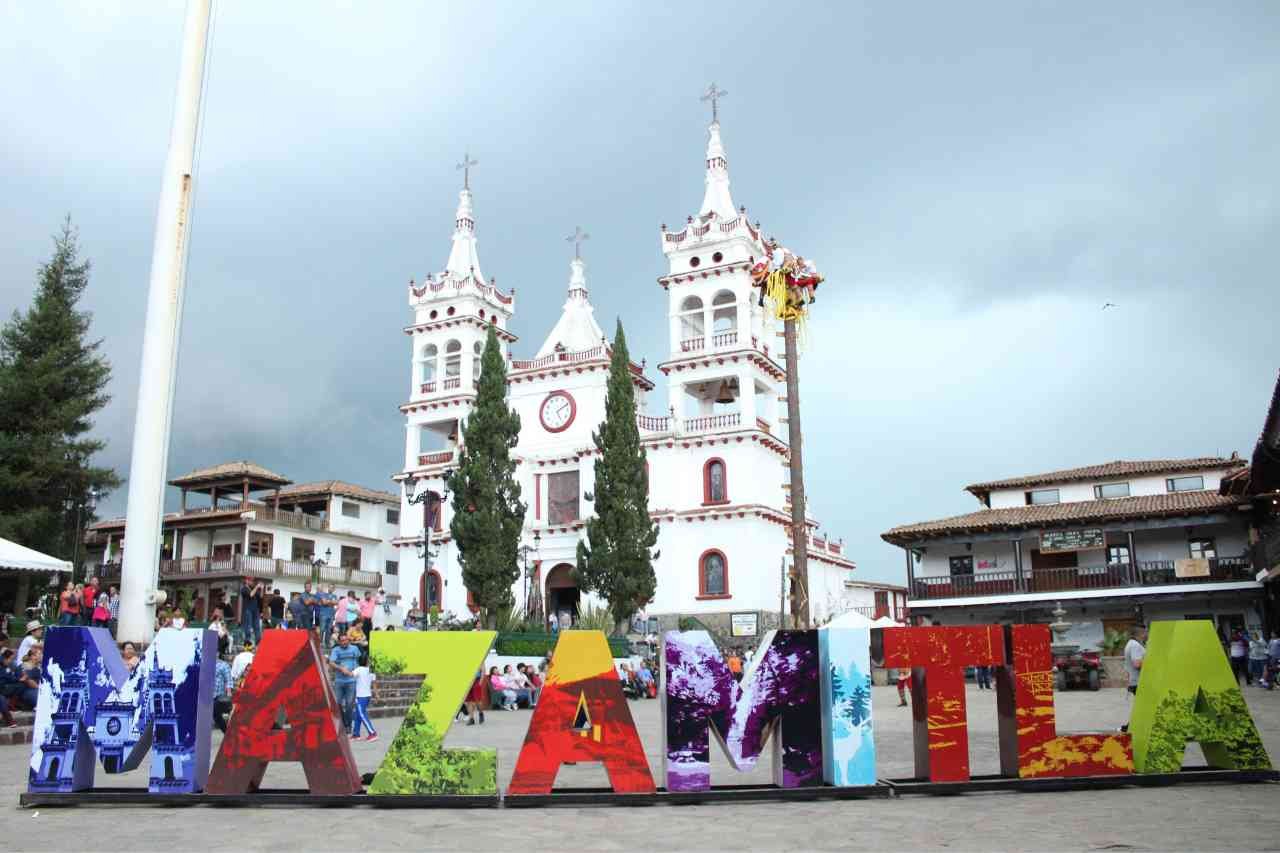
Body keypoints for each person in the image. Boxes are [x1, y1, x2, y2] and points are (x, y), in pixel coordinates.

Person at [327, 633, 361, 734]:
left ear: (348, 640)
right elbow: (331, 662)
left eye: (346, 640)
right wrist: (341, 668)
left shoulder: (354, 649)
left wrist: (357, 672)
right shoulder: (336, 650)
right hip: (339, 681)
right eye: (342, 641)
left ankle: (348, 725)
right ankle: (344, 723)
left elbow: (359, 659)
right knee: (337, 703)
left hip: (351, 681)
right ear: (339, 642)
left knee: (349, 704)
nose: (344, 642)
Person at [351, 661, 378, 741]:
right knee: (357, 715)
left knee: (362, 714)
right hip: (366, 696)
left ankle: (372, 733)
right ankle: (356, 734)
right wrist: (376, 695)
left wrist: (342, 668)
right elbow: (374, 684)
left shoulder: (359, 669)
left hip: (361, 697)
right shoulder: (372, 671)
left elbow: (350, 674)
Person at [212, 653, 234, 732]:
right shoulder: (205, 664)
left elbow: (229, 680)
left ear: (217, 654)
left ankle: (227, 732)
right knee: (216, 716)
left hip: (218, 695)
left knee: (216, 716)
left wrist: (229, 692)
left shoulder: (224, 665)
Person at [239, 577, 264, 645]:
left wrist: (261, 589)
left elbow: (260, 597)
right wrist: (256, 587)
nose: (252, 582)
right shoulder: (244, 589)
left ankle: (258, 642)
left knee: (257, 627)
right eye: (251, 581)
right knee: (248, 626)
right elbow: (251, 595)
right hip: (248, 609)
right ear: (246, 581)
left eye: (253, 581)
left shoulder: (253, 588)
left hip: (256, 610)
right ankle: (247, 643)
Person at [316, 584, 338, 649]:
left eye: (332, 588)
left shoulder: (335, 596)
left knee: (328, 630)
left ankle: (327, 643)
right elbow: (324, 602)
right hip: (323, 614)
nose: (330, 589)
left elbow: (336, 603)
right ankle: (319, 643)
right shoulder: (323, 594)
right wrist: (332, 602)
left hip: (331, 615)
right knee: (322, 629)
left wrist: (328, 601)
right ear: (328, 587)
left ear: (334, 589)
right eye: (330, 587)